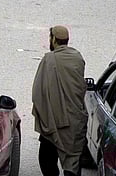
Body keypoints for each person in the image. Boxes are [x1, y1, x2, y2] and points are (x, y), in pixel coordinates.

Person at [31, 25, 87, 176]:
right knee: (72, 160)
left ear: (54, 39)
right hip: (74, 118)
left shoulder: (49, 59)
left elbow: (38, 91)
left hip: (52, 119)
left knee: (47, 158)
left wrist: (43, 113)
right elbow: (79, 87)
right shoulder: (77, 57)